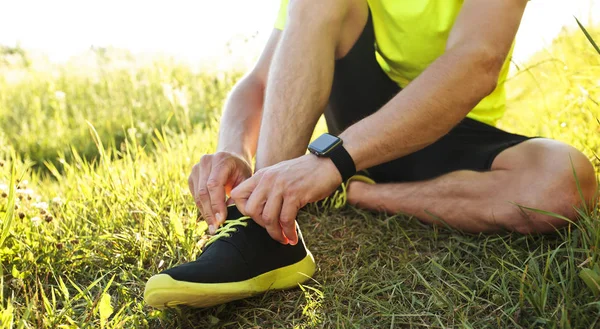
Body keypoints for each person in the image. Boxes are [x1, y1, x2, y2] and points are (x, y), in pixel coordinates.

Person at [144, 0, 598, 308]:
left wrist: (332, 163)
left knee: (565, 181)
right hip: (361, 114)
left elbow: (477, 60)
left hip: (452, 123)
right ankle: (265, 229)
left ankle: (370, 194)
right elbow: (263, 80)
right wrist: (232, 148)